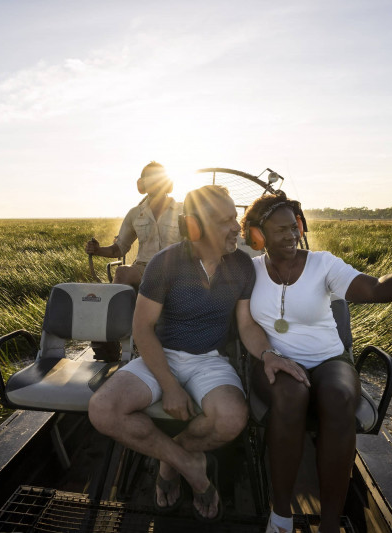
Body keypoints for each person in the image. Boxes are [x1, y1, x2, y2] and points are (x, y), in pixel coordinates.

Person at [239, 193, 392, 533]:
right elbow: (245, 322)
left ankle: (329, 523)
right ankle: (281, 516)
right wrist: (269, 355)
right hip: (277, 361)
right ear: (257, 236)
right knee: (291, 394)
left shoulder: (324, 264)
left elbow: (377, 289)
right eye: (280, 229)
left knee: (339, 396)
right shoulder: (249, 272)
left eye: (294, 227)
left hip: (330, 359)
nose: (291, 235)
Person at [88, 185, 306, 522]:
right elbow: (143, 329)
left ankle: (169, 462)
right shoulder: (165, 262)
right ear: (195, 227)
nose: (237, 227)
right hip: (160, 356)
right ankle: (190, 463)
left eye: (235, 218)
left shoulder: (242, 267)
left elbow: (247, 325)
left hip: (210, 359)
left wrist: (268, 355)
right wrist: (170, 386)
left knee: (233, 418)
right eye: (226, 221)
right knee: (103, 410)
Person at [84, 161, 181, 360]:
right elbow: (119, 248)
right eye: (150, 178)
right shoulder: (135, 214)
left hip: (176, 268)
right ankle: (109, 340)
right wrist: (97, 249)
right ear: (142, 184)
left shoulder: (183, 209)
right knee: (121, 272)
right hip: (144, 268)